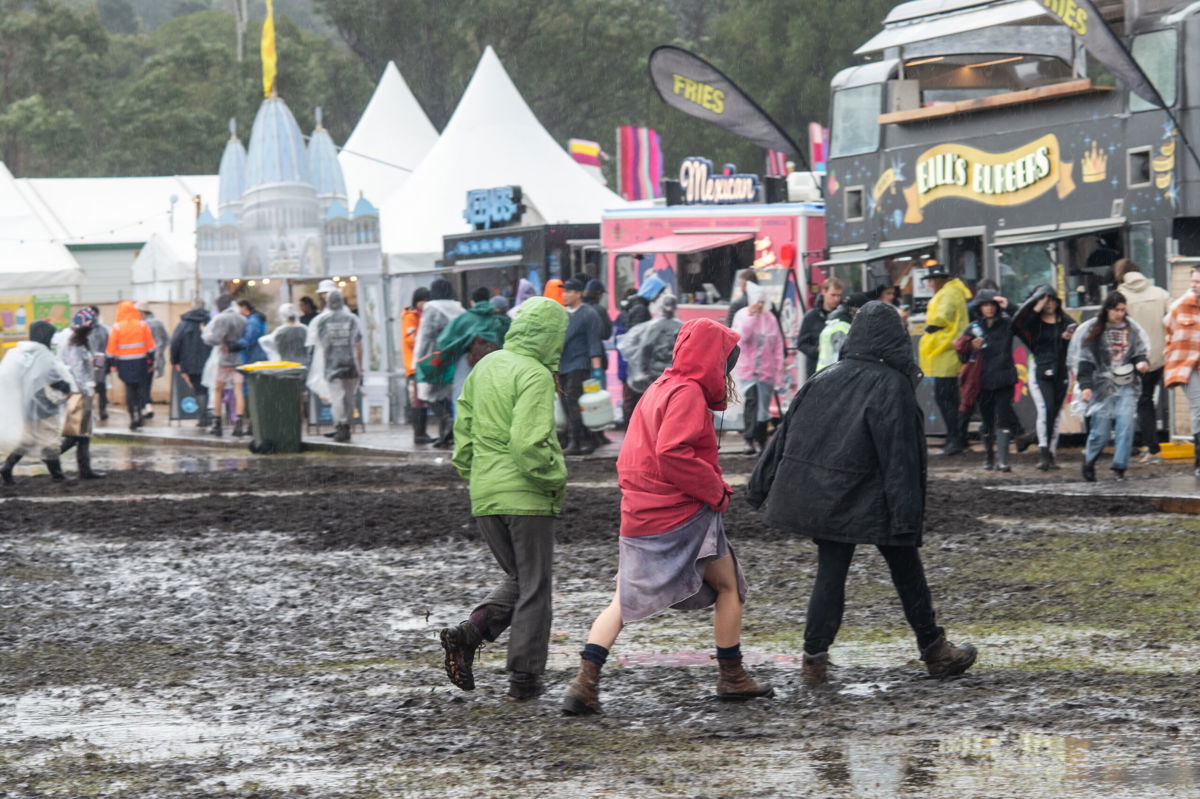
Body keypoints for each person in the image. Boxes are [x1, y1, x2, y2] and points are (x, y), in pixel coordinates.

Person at [748, 301, 977, 686]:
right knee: (906, 571)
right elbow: (901, 459)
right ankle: (935, 651)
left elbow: (782, 438)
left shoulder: (823, 377)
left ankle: (814, 662)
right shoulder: (893, 387)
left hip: (828, 499)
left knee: (831, 574)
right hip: (875, 500)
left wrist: (758, 488)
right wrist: (907, 518)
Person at [561, 318, 773, 716]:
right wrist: (715, 490)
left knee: (622, 602)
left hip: (640, 515)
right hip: (683, 514)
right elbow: (673, 454)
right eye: (725, 362)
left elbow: (635, 455)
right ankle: (732, 677)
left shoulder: (657, 388)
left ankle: (583, 684)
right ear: (713, 360)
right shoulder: (689, 394)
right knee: (730, 589)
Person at [439, 296, 570, 702]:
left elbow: (463, 438)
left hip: (485, 494)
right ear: (552, 338)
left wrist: (479, 477)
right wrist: (556, 479)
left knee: (521, 579)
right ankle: (525, 679)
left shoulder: (486, 367)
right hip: (526, 496)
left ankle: (470, 633)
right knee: (535, 587)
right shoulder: (534, 375)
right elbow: (529, 445)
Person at [1070, 291, 1149, 481]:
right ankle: (1089, 459)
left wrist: (1141, 362)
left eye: (1123, 310)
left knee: (1126, 424)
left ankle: (1120, 467)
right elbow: (1085, 361)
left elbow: (1139, 352)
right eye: (1116, 310)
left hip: (1127, 384)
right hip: (1102, 387)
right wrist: (1086, 386)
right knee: (1101, 431)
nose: (1120, 314)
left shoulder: (1132, 330)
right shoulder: (1095, 331)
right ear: (1107, 309)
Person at [0, 321, 74, 485]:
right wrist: (66, 386)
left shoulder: (20, 351)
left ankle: (7, 467)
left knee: (26, 439)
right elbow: (49, 375)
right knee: (49, 438)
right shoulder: (42, 354)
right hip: (43, 404)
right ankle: (57, 474)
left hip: (24, 404)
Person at [1113, 259, 1170, 463]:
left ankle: (1149, 449)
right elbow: (1172, 318)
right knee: (1145, 400)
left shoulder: (1120, 298)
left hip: (1133, 359)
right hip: (1160, 357)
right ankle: (1149, 447)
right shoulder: (1160, 293)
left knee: (1138, 402)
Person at [1012, 286, 1074, 470]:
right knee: (1045, 410)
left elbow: (1076, 339)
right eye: (1045, 302)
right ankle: (1043, 454)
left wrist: (1067, 338)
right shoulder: (1034, 323)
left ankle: (1048, 452)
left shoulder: (1065, 321)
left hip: (1061, 371)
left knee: (1054, 415)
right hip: (1041, 370)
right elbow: (1017, 326)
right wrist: (1036, 305)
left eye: (1052, 300)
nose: (1049, 305)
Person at [919, 266, 972, 456]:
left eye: (932, 280)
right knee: (950, 398)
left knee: (946, 399)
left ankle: (955, 438)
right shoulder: (953, 291)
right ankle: (958, 438)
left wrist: (930, 326)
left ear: (940, 279)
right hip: (946, 352)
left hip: (945, 352)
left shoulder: (948, 294)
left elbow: (941, 317)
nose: (930, 284)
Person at [966, 290, 1018, 472]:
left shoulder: (1007, 324)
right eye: (985, 304)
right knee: (987, 421)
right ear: (979, 307)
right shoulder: (972, 328)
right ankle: (988, 457)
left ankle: (1003, 460)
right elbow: (962, 355)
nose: (989, 308)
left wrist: (1009, 306)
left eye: (992, 304)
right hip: (983, 381)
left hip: (1004, 379)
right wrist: (970, 347)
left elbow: (1025, 321)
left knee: (1003, 419)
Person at [731, 283, 785, 455]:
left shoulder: (770, 319)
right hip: (747, 370)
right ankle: (749, 439)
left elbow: (777, 345)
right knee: (752, 402)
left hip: (766, 371)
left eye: (763, 301)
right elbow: (741, 338)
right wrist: (751, 317)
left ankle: (761, 441)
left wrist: (778, 372)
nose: (760, 305)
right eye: (757, 301)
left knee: (763, 407)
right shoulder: (742, 315)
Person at [413, 278, 465, 447]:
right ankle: (446, 436)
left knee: (429, 394)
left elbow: (425, 336)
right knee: (448, 395)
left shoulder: (432, 308)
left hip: (434, 358)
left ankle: (447, 423)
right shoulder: (459, 309)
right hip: (455, 358)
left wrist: (418, 360)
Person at [559, 277, 605, 456]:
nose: (564, 295)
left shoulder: (588, 314)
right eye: (564, 291)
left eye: (568, 292)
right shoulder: (563, 314)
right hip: (563, 364)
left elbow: (594, 342)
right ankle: (584, 439)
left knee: (573, 401)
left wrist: (597, 370)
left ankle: (577, 440)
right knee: (566, 403)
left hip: (580, 364)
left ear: (579, 294)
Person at [312, 289, 364, 443]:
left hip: (332, 364)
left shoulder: (322, 321)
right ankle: (347, 424)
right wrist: (360, 365)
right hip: (350, 363)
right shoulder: (352, 319)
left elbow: (321, 344)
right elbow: (358, 343)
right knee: (349, 397)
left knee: (337, 397)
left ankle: (340, 425)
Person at [58, 309, 103, 479]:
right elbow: (77, 370)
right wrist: (86, 390)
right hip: (79, 392)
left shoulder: (74, 341)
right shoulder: (75, 344)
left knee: (83, 434)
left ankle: (85, 469)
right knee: (76, 434)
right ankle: (51, 457)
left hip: (79, 390)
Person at [1165, 267, 1200, 476]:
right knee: (1199, 407)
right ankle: (1199, 461)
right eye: (1193, 282)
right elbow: (1169, 330)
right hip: (1186, 364)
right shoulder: (1180, 306)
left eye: (1198, 282)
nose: (1194, 286)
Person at [104, 300, 156, 431]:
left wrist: (110, 364)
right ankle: (140, 413)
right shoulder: (143, 325)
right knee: (140, 388)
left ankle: (132, 417)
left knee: (129, 389)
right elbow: (151, 346)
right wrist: (151, 361)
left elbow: (110, 349)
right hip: (141, 361)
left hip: (124, 363)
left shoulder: (117, 327)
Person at [617, 294, 682, 396]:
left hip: (656, 373)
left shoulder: (654, 326)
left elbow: (646, 347)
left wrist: (642, 370)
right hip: (674, 373)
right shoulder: (681, 326)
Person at [202, 293, 247, 437]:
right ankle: (239, 423)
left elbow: (215, 339)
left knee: (218, 389)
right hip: (238, 359)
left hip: (224, 359)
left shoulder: (221, 319)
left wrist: (205, 334)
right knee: (238, 390)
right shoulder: (241, 318)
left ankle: (218, 422)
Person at [169, 300, 213, 428]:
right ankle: (206, 415)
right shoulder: (209, 322)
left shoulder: (184, 324)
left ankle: (202, 416)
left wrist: (175, 361)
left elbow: (175, 342)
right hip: (208, 361)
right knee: (206, 388)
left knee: (198, 388)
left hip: (189, 362)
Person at [797, 277, 845, 379]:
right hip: (816, 373)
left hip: (840, 372)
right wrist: (817, 350)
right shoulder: (811, 316)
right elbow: (801, 343)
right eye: (833, 295)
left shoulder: (845, 316)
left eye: (839, 295)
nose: (836, 299)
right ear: (824, 292)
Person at [402, 287, 432, 444]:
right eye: (423, 300)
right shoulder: (410, 317)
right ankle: (419, 434)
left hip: (424, 364)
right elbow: (411, 340)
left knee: (422, 399)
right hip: (414, 366)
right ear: (416, 301)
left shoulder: (425, 315)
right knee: (417, 400)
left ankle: (422, 433)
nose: (425, 303)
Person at [816, 291, 871, 372]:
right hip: (833, 376)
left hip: (824, 374)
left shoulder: (835, 322)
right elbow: (839, 359)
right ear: (857, 310)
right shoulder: (842, 327)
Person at [135, 301, 169, 419]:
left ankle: (145, 406)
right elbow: (165, 340)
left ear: (141, 312)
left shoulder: (142, 325)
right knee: (147, 383)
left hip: (143, 358)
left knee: (141, 384)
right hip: (153, 359)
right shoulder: (158, 323)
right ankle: (145, 406)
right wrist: (158, 356)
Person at [87, 306, 110, 421]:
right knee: (88, 387)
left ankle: (102, 410)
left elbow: (108, 345)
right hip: (86, 360)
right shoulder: (83, 328)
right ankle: (89, 412)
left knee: (100, 385)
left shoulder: (103, 329)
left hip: (100, 359)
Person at [236, 299, 268, 365]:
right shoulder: (253, 319)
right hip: (256, 355)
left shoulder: (253, 320)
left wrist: (235, 345)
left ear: (244, 307)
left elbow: (249, 338)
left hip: (255, 356)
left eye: (237, 308)